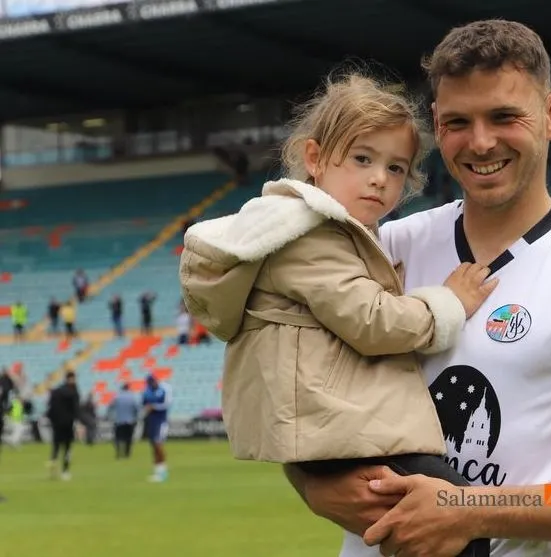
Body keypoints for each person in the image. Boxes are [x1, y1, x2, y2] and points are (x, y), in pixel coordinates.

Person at [282, 19, 551, 557]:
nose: (481, 141)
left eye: (504, 116)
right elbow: (304, 410)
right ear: (437, 126)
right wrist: (315, 487)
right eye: (458, 122)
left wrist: (468, 511)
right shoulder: (383, 248)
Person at [180, 72, 495, 557]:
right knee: (461, 524)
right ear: (314, 158)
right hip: (341, 431)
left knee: (437, 532)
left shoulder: (327, 232)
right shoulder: (309, 234)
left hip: (337, 430)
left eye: (395, 168)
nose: (378, 178)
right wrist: (450, 303)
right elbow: (373, 322)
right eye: (362, 158)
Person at [46, 371, 80, 481]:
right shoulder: (74, 392)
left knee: (56, 445)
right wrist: (77, 422)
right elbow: (76, 409)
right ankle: (65, 471)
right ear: (72, 379)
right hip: (68, 424)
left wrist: (52, 419)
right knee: (67, 448)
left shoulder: (57, 392)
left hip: (57, 424)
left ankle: (53, 463)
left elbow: (50, 407)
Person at [142, 375, 172, 482]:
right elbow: (144, 405)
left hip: (161, 421)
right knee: (153, 446)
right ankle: (158, 471)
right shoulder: (147, 392)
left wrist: (154, 407)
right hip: (151, 421)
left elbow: (166, 404)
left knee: (158, 443)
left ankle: (163, 471)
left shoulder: (164, 390)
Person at [109, 383, 139, 459]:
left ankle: (118, 452)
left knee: (118, 438)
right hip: (129, 421)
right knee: (128, 438)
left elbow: (110, 407)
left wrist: (110, 416)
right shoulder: (132, 397)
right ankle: (127, 453)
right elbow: (136, 409)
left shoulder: (117, 397)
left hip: (119, 421)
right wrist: (135, 417)